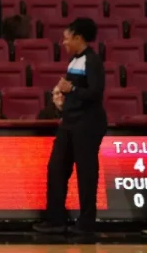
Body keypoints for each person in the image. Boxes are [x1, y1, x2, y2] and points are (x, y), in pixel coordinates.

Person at [34, 18, 107, 235]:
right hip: (70, 122)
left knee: (86, 174)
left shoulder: (92, 61)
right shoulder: (74, 61)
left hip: (87, 123)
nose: (63, 43)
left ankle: (86, 223)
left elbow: (96, 92)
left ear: (78, 37)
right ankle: (55, 219)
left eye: (67, 38)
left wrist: (72, 89)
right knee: (56, 169)